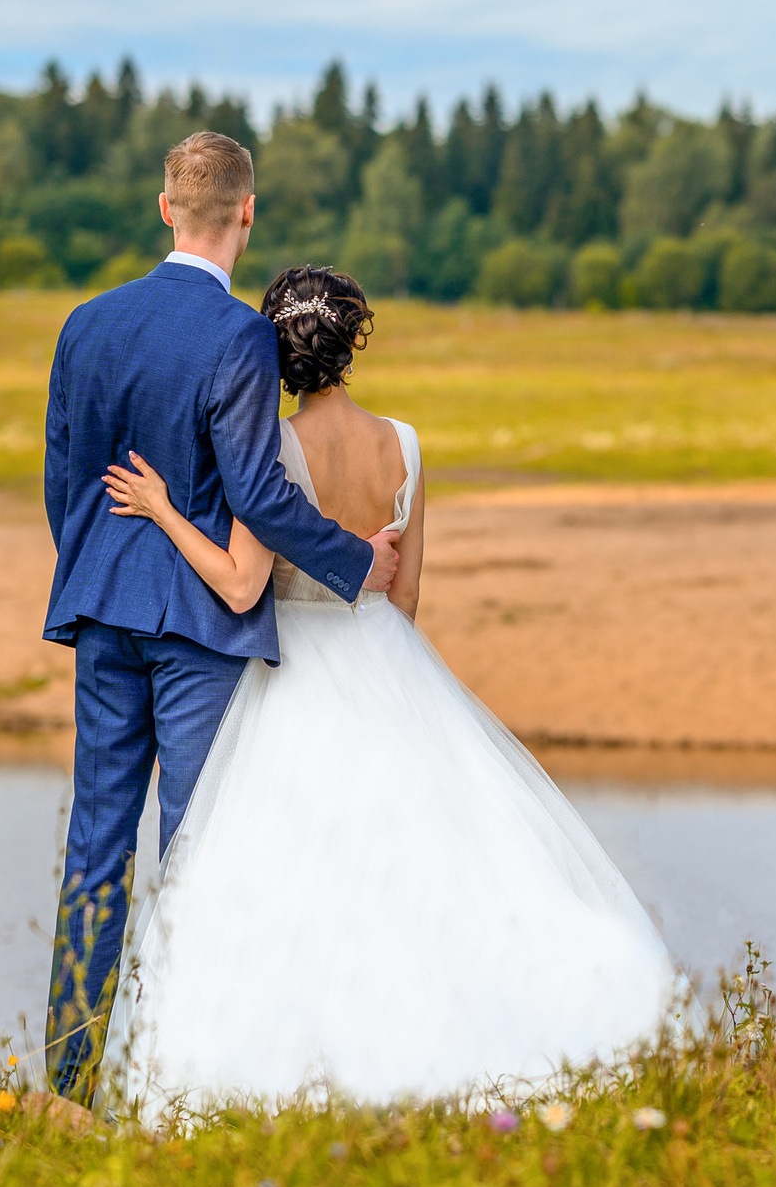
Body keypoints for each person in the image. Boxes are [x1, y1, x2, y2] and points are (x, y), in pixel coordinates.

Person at [97, 265, 675, 1109]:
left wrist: (160, 508)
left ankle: (287, 1078)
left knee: (284, 875)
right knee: (420, 868)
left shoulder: (274, 449)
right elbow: (404, 598)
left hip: (292, 672)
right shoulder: (404, 442)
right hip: (389, 666)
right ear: (351, 341)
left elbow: (238, 585)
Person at [39, 132, 401, 1105]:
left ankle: (68, 1085)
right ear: (248, 211)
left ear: (165, 208)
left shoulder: (86, 323)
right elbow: (258, 494)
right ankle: (178, 1083)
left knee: (95, 851)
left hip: (102, 612)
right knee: (197, 849)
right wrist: (355, 560)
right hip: (200, 628)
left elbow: (62, 485)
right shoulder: (240, 336)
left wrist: (103, 568)